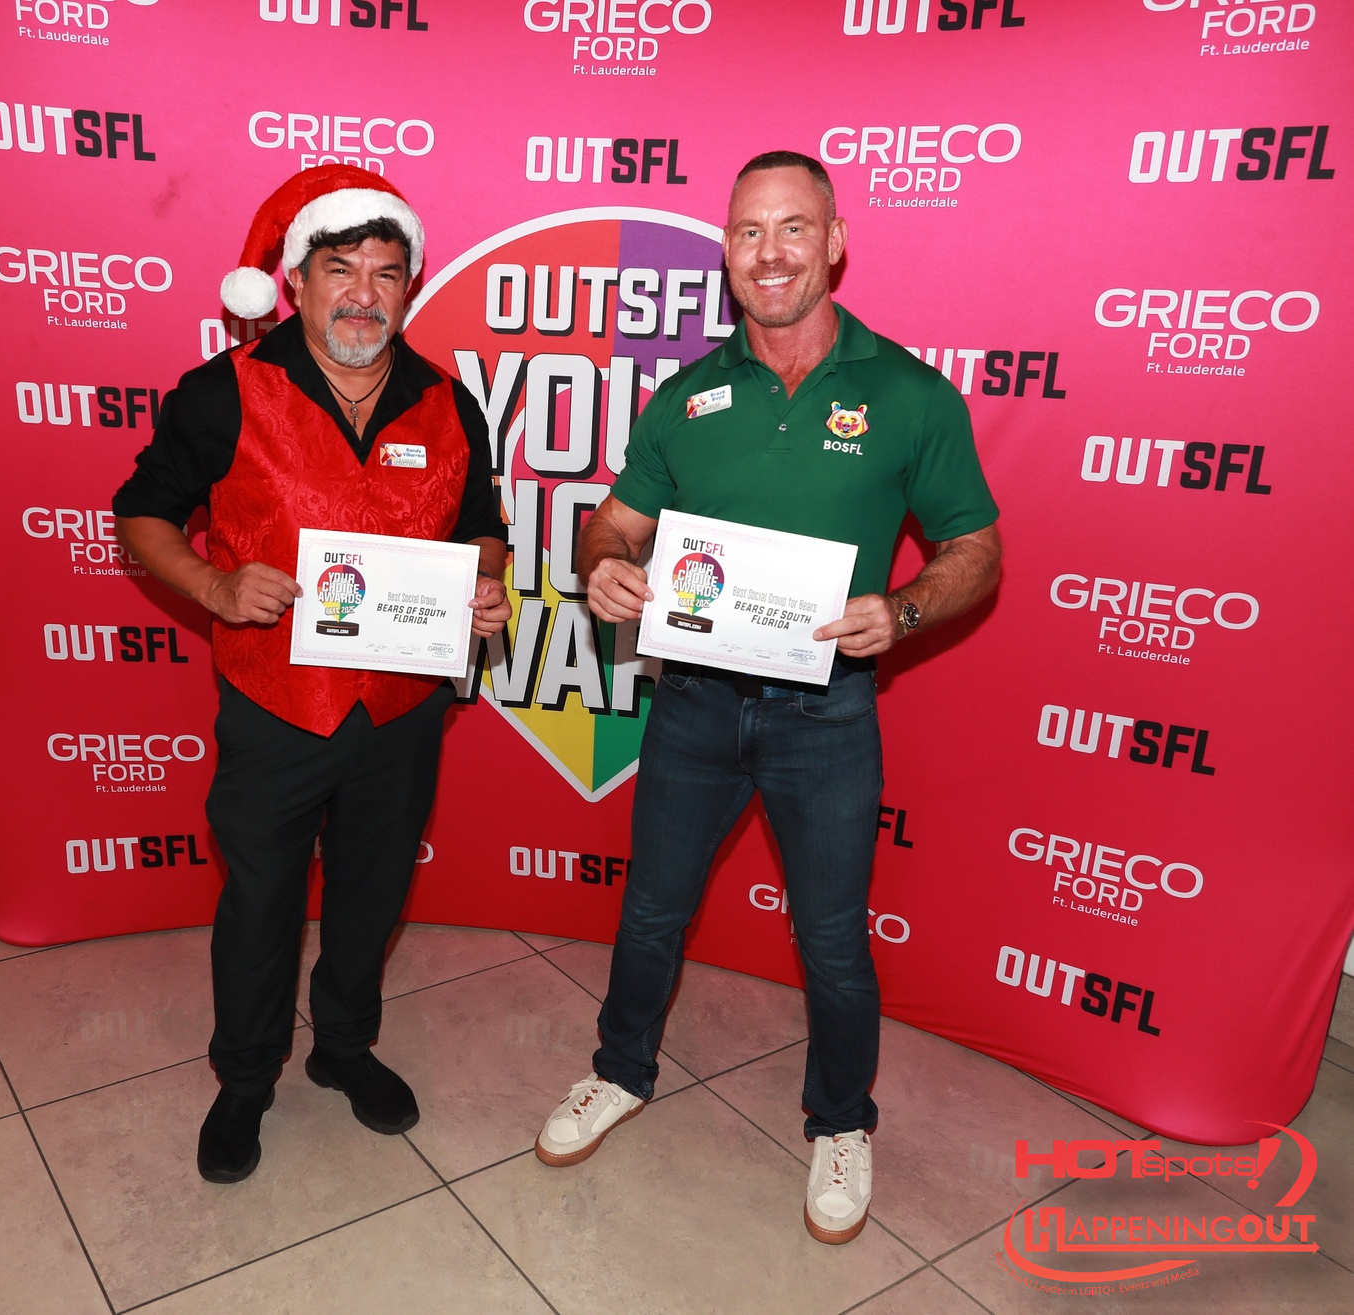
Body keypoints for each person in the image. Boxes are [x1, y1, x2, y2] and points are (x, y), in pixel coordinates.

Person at [533, 151, 1000, 1244]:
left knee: (832, 937)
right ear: (727, 254)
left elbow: (976, 549)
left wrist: (907, 609)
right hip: (695, 700)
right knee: (653, 909)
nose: (771, 252)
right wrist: (603, 564)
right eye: (749, 232)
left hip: (825, 712)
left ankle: (842, 1120)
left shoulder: (909, 394)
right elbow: (615, 522)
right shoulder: (686, 395)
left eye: (794, 228)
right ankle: (620, 1070)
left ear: (834, 242)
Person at [113, 165, 511, 1184]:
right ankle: (245, 1080)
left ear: (409, 286)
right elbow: (141, 513)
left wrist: (485, 584)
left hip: (402, 708)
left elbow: (483, 528)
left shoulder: (449, 401)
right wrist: (212, 583)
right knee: (261, 903)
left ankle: (343, 1046)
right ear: (295, 281)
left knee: (372, 893)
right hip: (275, 707)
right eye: (342, 269)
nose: (364, 295)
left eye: (387, 273)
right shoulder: (223, 391)